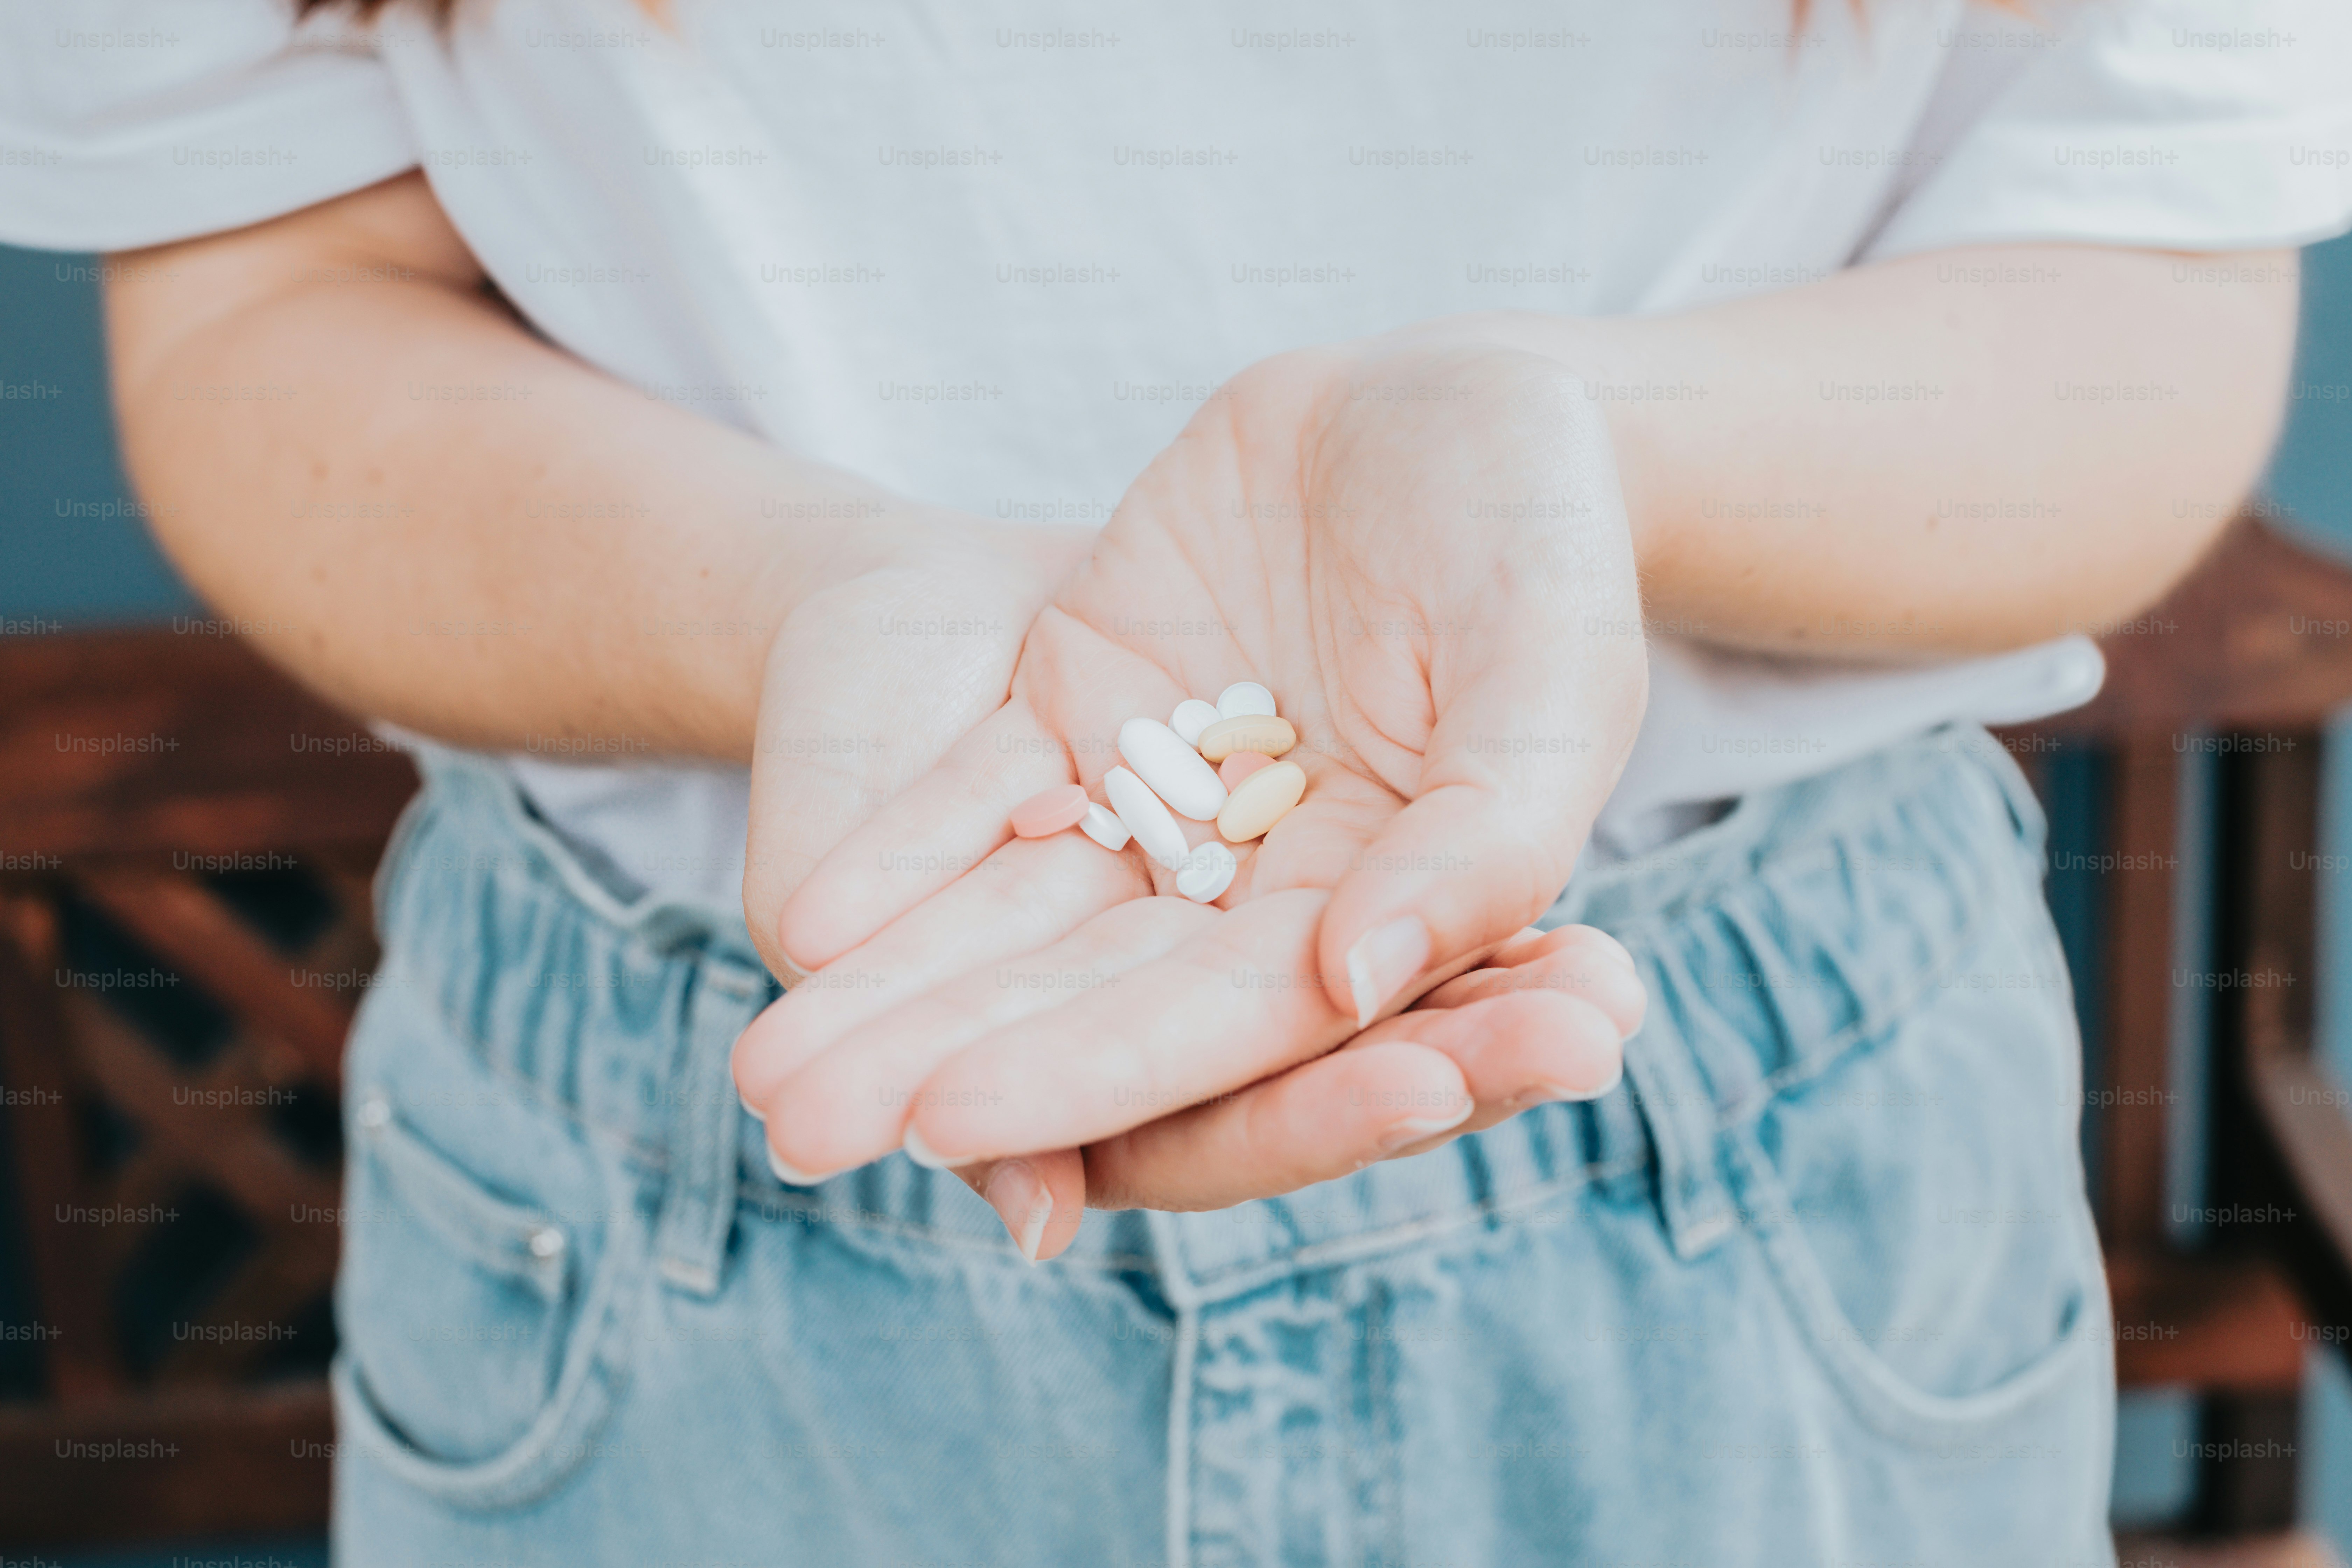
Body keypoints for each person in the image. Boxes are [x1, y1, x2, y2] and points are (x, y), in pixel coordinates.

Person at [6, 0, 2346, 1560]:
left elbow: (2140, 285)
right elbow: (262, 311)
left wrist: (1571, 443)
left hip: (1778, 1180)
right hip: (675, 1200)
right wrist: (815, 592)